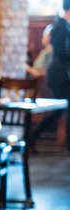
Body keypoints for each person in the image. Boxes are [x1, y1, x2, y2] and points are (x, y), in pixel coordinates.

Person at [47, 0, 70, 152]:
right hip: (57, 71)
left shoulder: (64, 25)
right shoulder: (60, 26)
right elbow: (60, 51)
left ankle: (33, 135)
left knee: (62, 107)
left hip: (60, 70)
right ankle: (33, 134)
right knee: (62, 106)